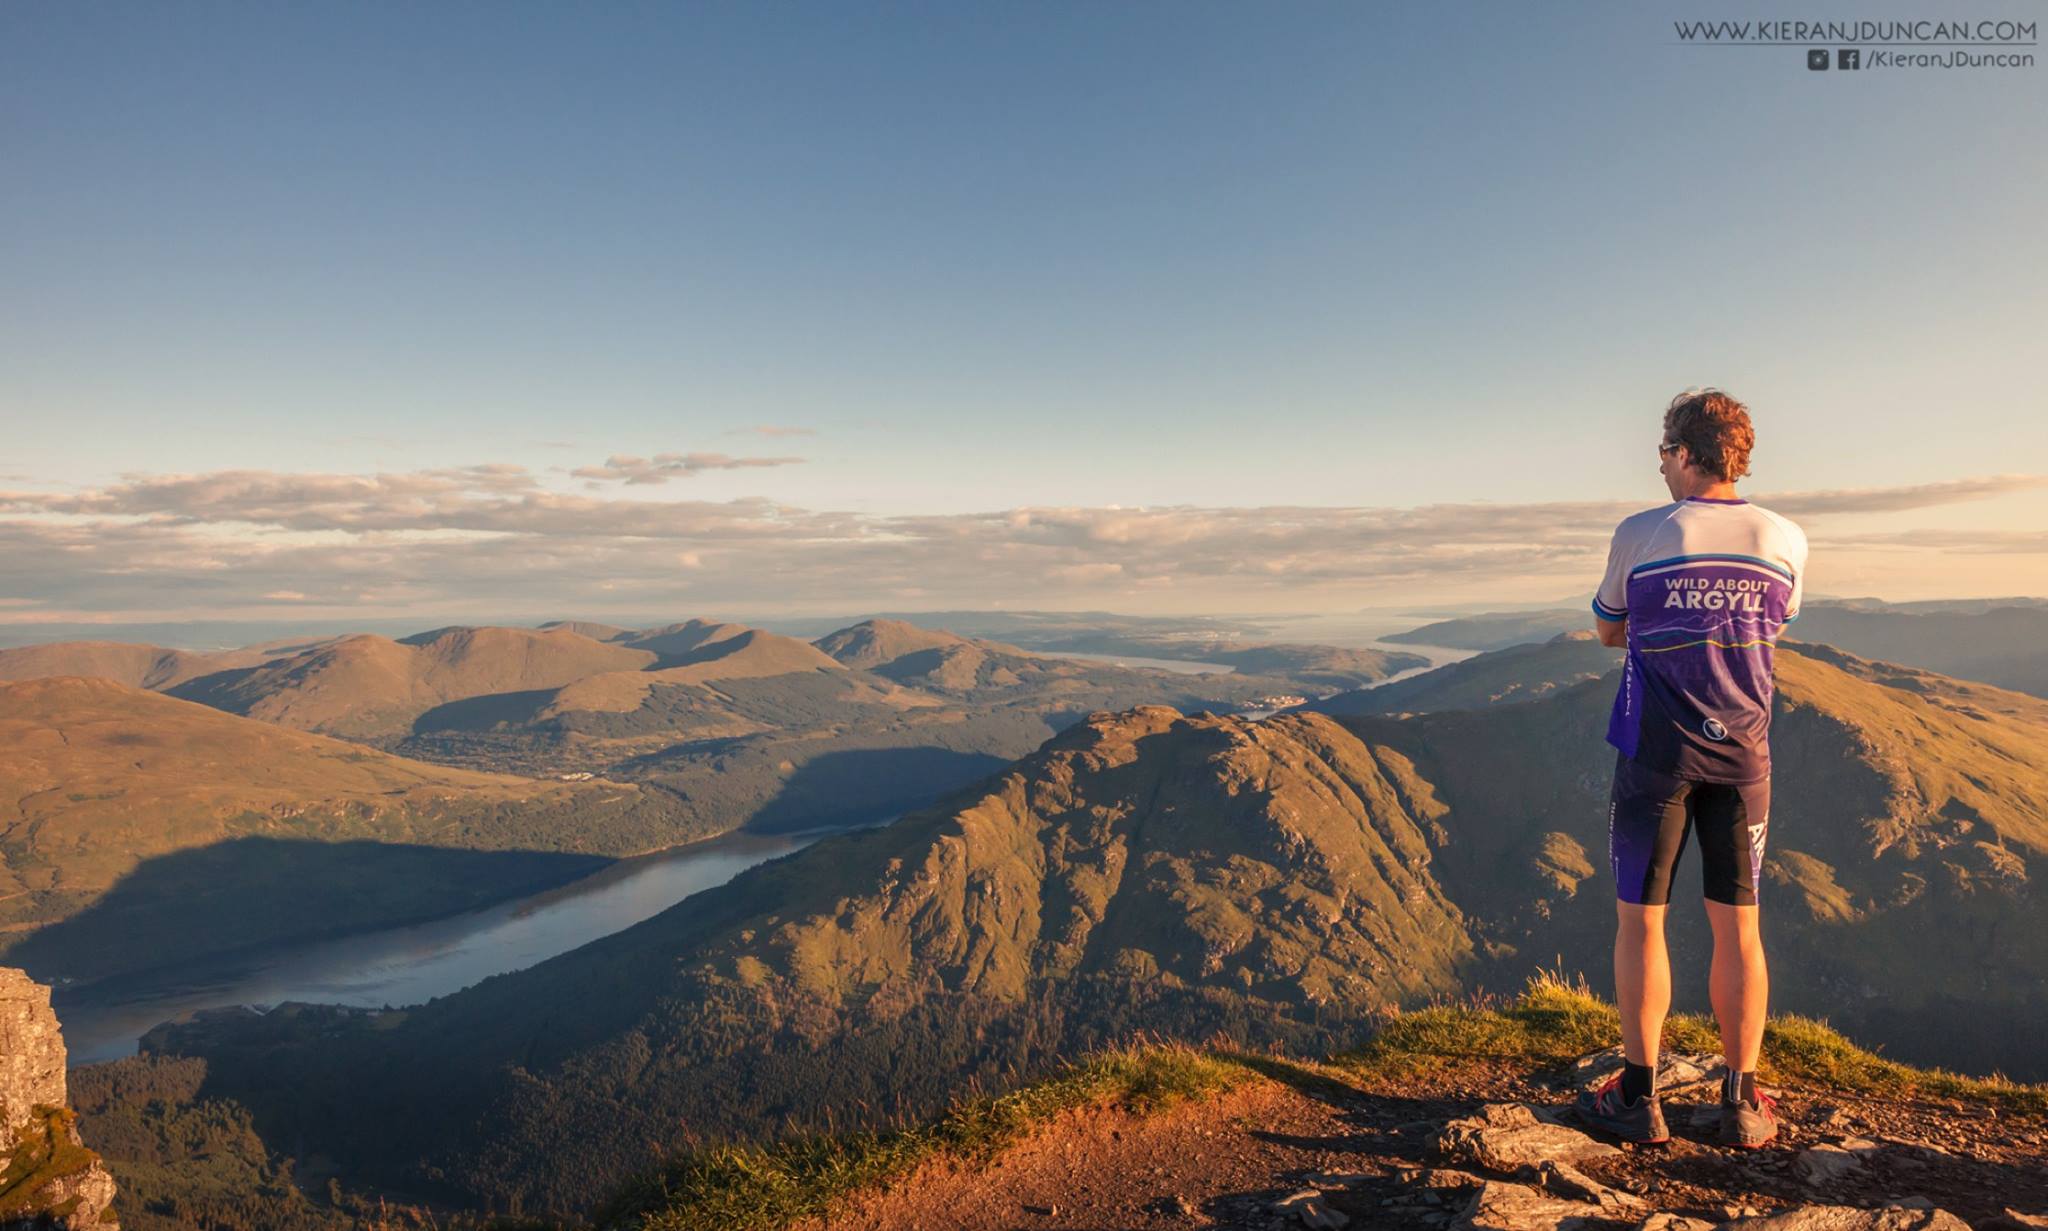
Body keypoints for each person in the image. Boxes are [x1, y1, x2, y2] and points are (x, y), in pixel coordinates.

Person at [1575, 388, 1808, 1149]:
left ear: (1682, 453)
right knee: (1739, 927)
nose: (1660, 468)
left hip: (1656, 753)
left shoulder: (1644, 532)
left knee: (1641, 921)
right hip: (1744, 758)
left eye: (1662, 454)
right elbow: (1774, 621)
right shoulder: (1784, 536)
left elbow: (1610, 628)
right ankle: (1741, 1102)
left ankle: (1639, 1094)